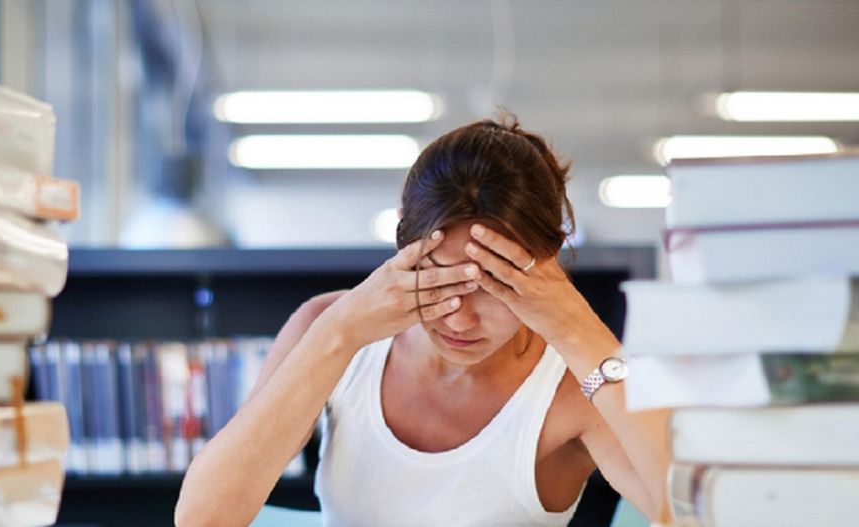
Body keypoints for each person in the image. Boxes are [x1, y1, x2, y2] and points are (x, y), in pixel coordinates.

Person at [175, 117, 672, 527]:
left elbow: (696, 515)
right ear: (404, 244)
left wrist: (578, 329)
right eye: (440, 279)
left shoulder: (575, 382)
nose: (460, 317)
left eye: (495, 287)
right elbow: (202, 519)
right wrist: (338, 333)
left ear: (547, 264)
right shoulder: (330, 329)